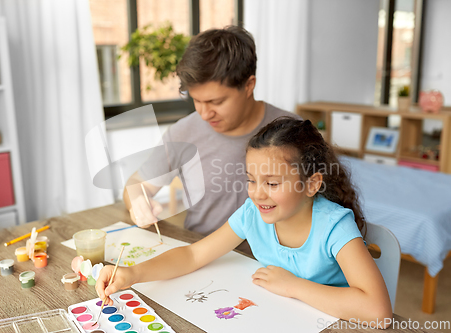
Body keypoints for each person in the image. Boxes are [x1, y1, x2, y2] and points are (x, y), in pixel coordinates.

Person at [97, 117, 392, 326]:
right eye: (251, 180)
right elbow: (193, 254)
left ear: (312, 184)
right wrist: (133, 273)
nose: (257, 193)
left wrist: (293, 286)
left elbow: (378, 311)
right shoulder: (254, 213)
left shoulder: (334, 226)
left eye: (272, 184)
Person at [124, 26, 300, 235]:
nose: (205, 114)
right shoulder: (183, 133)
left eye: (216, 101)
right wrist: (138, 201)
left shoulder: (294, 131)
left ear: (248, 85)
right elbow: (136, 184)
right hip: (201, 254)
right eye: (196, 101)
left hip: (274, 261)